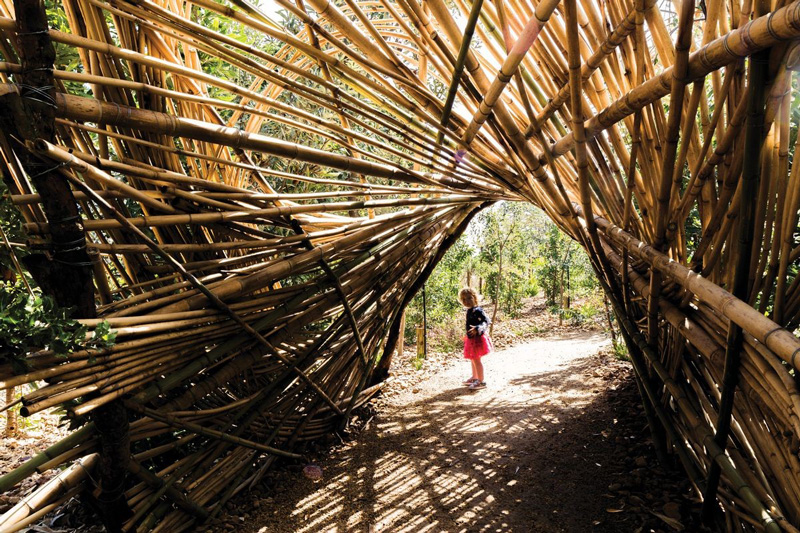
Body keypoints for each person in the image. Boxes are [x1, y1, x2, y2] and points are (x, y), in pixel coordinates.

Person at [458, 287, 493, 390]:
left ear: (475, 298)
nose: (467, 301)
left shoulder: (478, 310)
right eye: (464, 299)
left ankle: (481, 381)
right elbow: (469, 325)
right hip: (471, 339)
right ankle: (475, 377)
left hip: (478, 338)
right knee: (472, 358)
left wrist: (478, 328)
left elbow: (486, 321)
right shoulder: (470, 310)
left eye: (469, 298)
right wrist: (467, 335)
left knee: (476, 359)